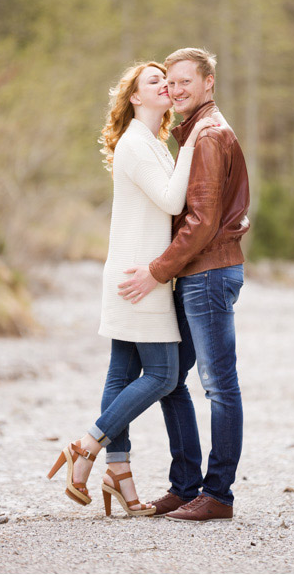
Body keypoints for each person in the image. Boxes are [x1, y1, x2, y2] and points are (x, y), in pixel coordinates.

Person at [47, 61, 217, 516]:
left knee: (122, 373)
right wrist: (193, 144)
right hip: (138, 277)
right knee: (162, 375)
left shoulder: (153, 143)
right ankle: (86, 445)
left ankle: (118, 470)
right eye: (154, 81)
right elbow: (172, 200)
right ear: (136, 98)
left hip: (135, 272)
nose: (166, 85)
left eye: (168, 79)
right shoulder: (138, 144)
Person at [117, 47, 250, 522]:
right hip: (198, 272)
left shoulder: (209, 135)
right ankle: (185, 485)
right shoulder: (192, 132)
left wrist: (156, 270)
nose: (175, 89)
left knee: (219, 385)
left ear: (209, 83)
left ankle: (218, 495)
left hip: (208, 275)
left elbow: (201, 219)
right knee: (171, 378)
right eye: (170, 82)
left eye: (185, 81)